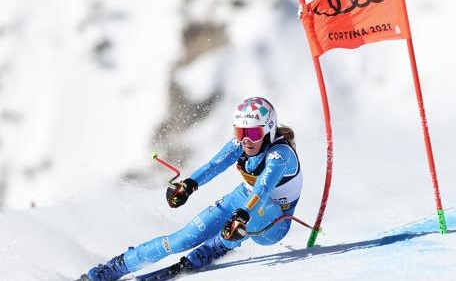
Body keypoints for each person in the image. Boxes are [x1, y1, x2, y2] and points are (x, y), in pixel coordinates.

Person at [79, 97, 303, 281]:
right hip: (243, 199)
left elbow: (262, 189)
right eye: (239, 132)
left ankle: (216, 246)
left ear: (269, 130)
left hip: (274, 219)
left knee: (252, 214)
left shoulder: (279, 155)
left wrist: (242, 215)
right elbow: (214, 166)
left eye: (253, 133)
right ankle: (113, 268)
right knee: (180, 240)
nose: (245, 140)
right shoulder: (240, 144)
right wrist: (188, 186)